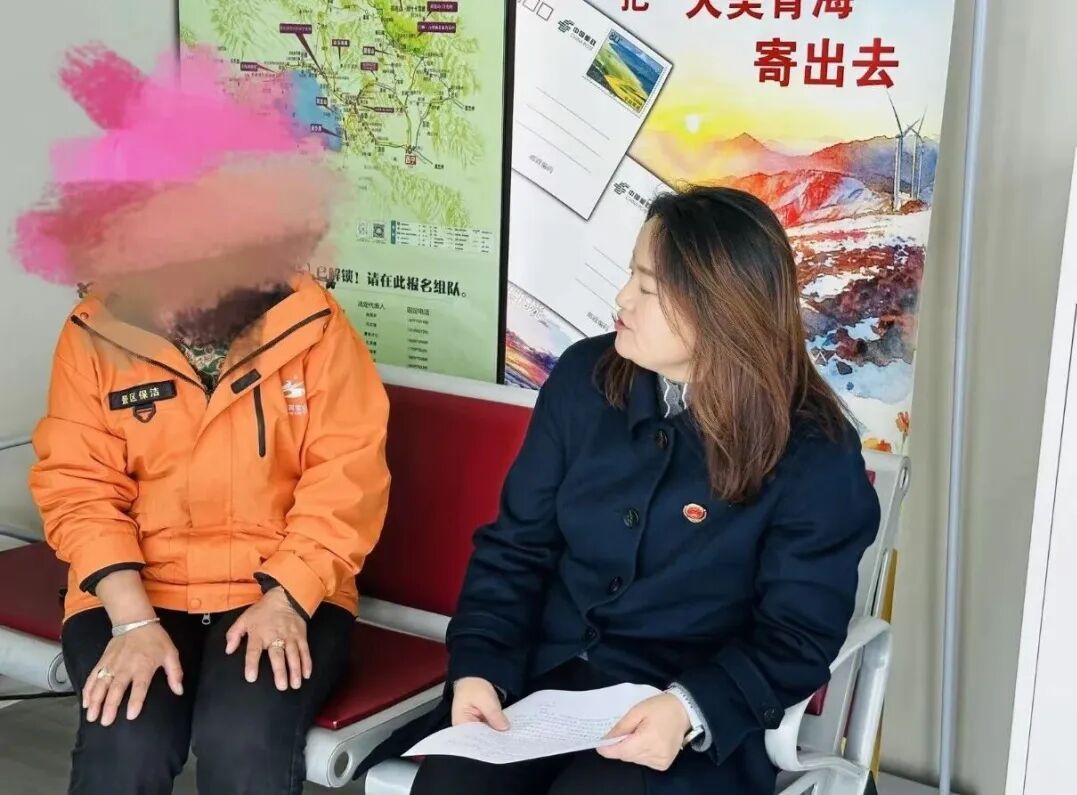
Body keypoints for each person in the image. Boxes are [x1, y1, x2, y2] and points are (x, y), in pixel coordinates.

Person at [363, 186, 881, 795]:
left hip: (684, 718)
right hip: (542, 685)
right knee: (455, 786)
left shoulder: (814, 450)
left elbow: (797, 634)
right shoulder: (584, 378)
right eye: (630, 275)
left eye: (648, 287)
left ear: (720, 310)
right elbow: (515, 549)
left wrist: (690, 708)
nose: (622, 299)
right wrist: (479, 667)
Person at [29, 271, 390, 795]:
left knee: (243, 741)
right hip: (134, 589)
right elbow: (79, 488)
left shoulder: (313, 323)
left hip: (282, 586)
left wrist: (286, 599)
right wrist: (131, 621)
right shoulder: (94, 329)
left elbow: (347, 481)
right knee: (127, 738)